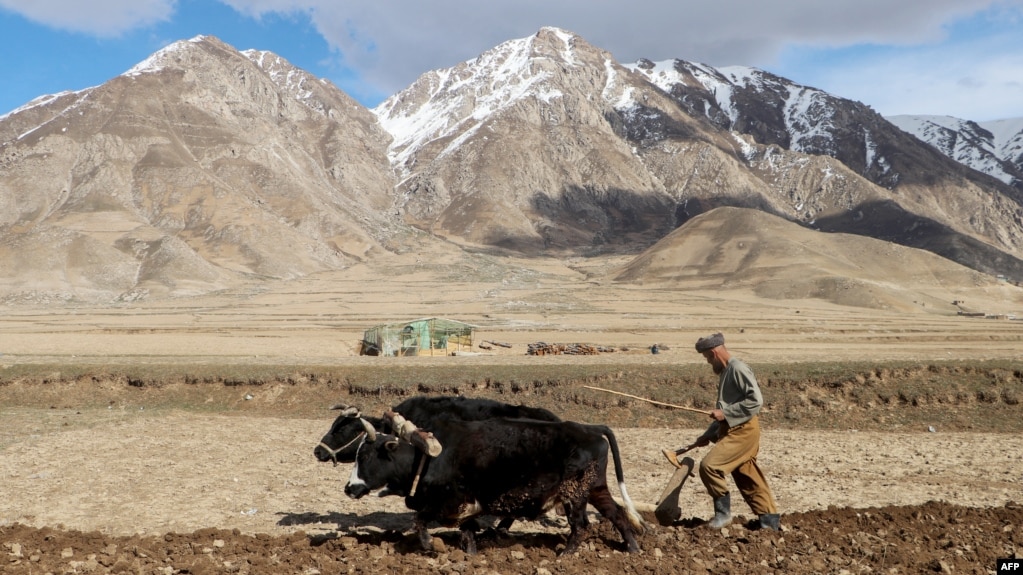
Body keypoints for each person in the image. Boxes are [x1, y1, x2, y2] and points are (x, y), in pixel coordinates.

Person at [691, 332, 780, 531]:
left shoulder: (737, 369)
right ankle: (769, 521)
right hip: (735, 429)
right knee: (746, 473)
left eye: (706, 357)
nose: (707, 362)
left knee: (710, 466)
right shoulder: (726, 371)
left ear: (714, 353)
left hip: (744, 431)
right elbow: (726, 410)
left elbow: (755, 401)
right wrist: (709, 434)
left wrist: (725, 414)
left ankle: (723, 515)